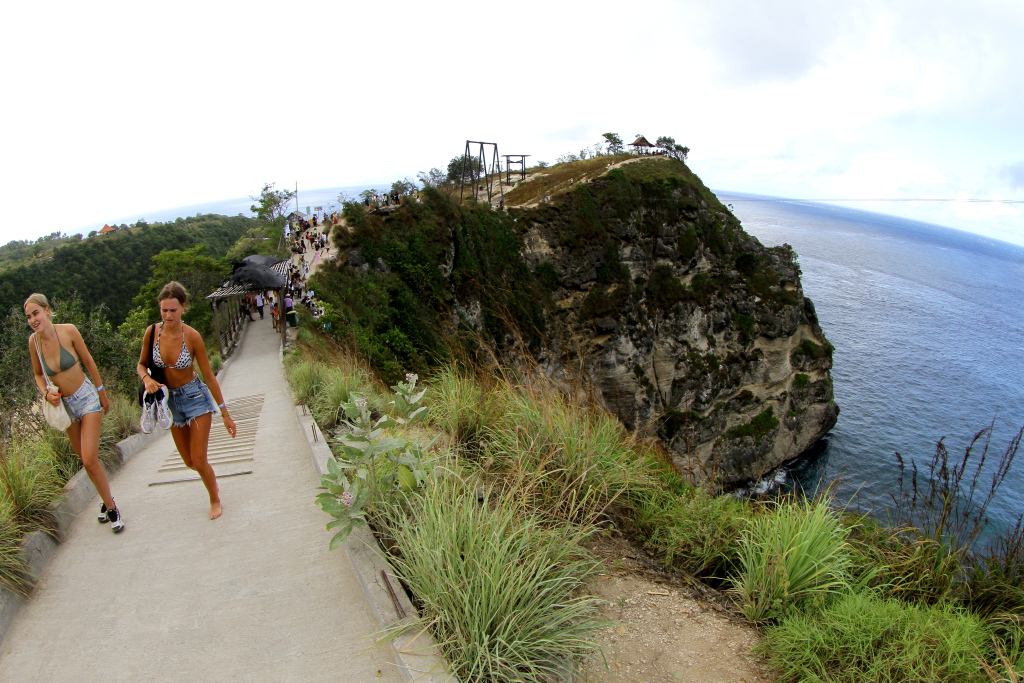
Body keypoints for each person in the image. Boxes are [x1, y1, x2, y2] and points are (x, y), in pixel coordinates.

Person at [24, 293, 124, 532]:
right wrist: (45, 393)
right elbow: (38, 374)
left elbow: (88, 361)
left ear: (47, 310)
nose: (33, 320)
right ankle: (106, 499)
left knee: (89, 459)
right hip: (63, 406)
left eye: (35, 313)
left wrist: (102, 392)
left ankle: (112, 509)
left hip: (86, 398)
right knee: (87, 462)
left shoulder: (68, 331)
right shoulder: (33, 343)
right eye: (28, 317)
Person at [138, 282, 236, 520]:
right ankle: (212, 481)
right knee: (190, 462)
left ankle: (214, 498)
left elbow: (209, 376)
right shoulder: (152, 333)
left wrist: (224, 412)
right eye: (164, 310)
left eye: (173, 309)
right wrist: (146, 380)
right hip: (169, 402)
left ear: (183, 307)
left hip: (195, 398)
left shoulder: (192, 337)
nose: (168, 315)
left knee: (200, 460)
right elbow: (141, 364)